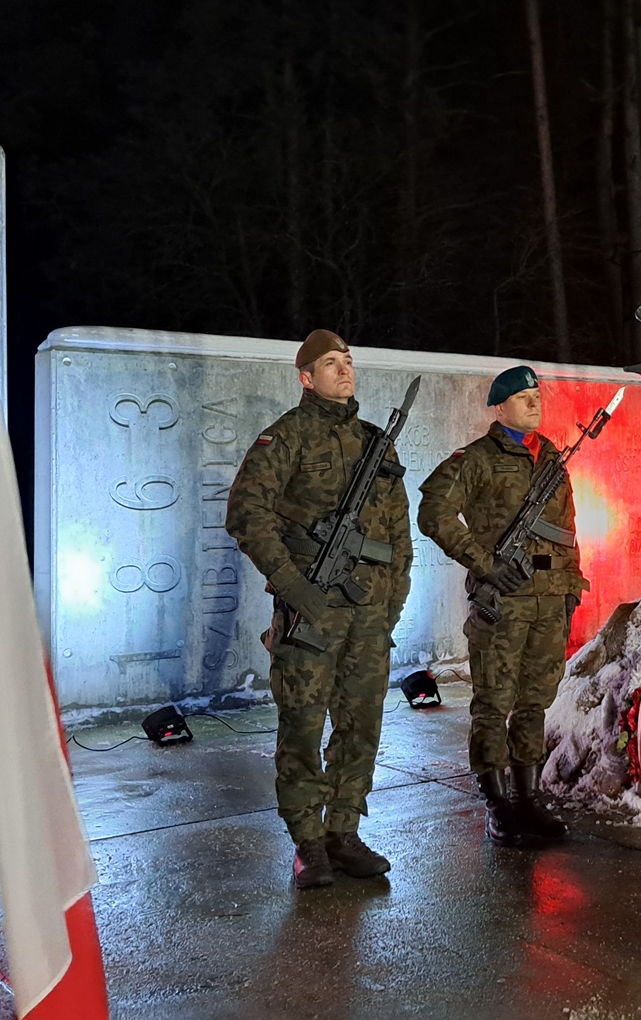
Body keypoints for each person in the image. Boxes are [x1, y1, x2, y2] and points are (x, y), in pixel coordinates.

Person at [226, 330, 413, 889]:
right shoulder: (286, 437)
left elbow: (398, 535)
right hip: (311, 614)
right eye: (330, 363)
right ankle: (308, 843)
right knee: (303, 727)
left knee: (361, 727)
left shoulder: (378, 443)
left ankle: (344, 833)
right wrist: (291, 582)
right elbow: (245, 512)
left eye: (349, 361)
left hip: (370, 617)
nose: (344, 370)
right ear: (306, 376)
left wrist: (394, 601)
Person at [417, 366, 590, 847]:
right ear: (499, 407)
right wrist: (483, 562)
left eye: (537, 395)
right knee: (494, 704)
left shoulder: (553, 456)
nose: (534, 403)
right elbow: (433, 509)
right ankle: (497, 804)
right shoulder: (477, 458)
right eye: (522, 396)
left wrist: (571, 586)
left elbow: (568, 528)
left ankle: (529, 799)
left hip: (549, 602)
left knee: (535, 702)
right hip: (504, 602)